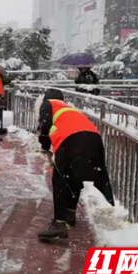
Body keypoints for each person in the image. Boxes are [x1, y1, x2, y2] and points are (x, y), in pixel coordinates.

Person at [36, 89, 114, 240]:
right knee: (74, 175)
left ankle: (59, 223)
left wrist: (44, 146)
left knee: (60, 178)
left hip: (72, 139)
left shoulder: (49, 104)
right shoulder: (69, 109)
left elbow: (44, 127)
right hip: (94, 138)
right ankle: (70, 213)